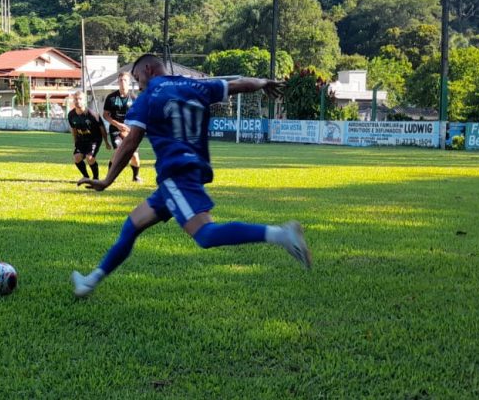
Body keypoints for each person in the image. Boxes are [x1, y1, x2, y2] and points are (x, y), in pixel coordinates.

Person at [71, 54, 311, 297]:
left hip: (176, 173)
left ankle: (281, 234)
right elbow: (239, 84)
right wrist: (263, 82)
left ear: (148, 69)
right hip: (185, 173)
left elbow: (131, 141)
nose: (138, 84)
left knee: (205, 234)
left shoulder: (149, 95)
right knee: (132, 225)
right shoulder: (196, 85)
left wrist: (107, 180)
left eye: (137, 77)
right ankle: (89, 282)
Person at [103, 72, 143, 183]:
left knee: (134, 155)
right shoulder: (111, 97)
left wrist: (130, 129)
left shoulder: (134, 98)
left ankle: (135, 177)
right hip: (116, 130)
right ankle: (109, 177)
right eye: (120, 80)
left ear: (129, 82)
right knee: (118, 151)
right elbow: (105, 115)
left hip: (131, 131)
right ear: (118, 82)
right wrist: (118, 125)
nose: (122, 82)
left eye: (125, 80)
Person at [67, 90, 110, 181]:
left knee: (89, 158)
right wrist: (75, 141)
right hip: (81, 139)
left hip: (94, 139)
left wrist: (106, 142)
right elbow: (74, 129)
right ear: (73, 101)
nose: (78, 101)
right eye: (76, 99)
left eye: (80, 99)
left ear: (84, 101)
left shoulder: (92, 115)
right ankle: (86, 176)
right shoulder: (71, 115)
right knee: (77, 157)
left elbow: (102, 128)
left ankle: (96, 178)